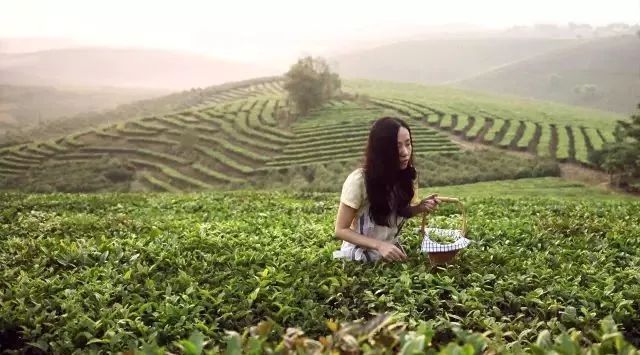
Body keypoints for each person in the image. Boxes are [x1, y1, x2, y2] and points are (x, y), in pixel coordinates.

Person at [333, 117, 440, 262]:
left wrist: (419, 207)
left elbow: (396, 214)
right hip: (360, 256)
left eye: (408, 144)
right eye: (397, 147)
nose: (405, 152)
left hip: (391, 253)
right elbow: (341, 230)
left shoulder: (407, 176)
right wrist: (379, 245)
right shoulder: (359, 180)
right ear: (381, 150)